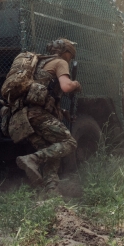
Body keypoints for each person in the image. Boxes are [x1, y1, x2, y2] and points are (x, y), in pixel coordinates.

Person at [15, 38, 80, 196]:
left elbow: (41, 94)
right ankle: (32, 159)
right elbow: (66, 86)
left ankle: (51, 190)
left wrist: (62, 111)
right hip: (38, 115)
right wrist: (76, 84)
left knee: (54, 150)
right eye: (71, 55)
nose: (70, 58)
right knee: (69, 143)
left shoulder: (39, 63)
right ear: (66, 52)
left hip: (22, 117)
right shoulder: (60, 62)